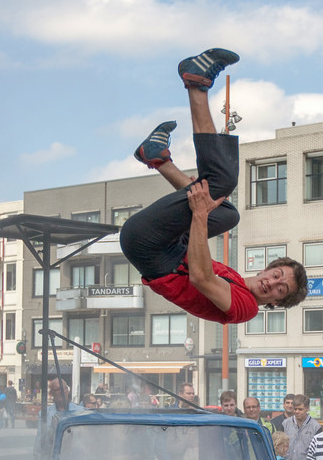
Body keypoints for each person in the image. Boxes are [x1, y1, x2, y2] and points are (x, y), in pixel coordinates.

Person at [120, 48, 307, 324]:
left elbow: (200, 276)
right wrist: (203, 212)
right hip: (170, 246)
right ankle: (157, 159)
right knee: (228, 213)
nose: (273, 284)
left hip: (152, 252)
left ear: (277, 301)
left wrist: (199, 214)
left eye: (282, 289)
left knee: (221, 182)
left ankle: (197, 86)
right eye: (277, 276)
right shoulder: (236, 279)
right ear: (268, 269)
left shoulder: (246, 308)